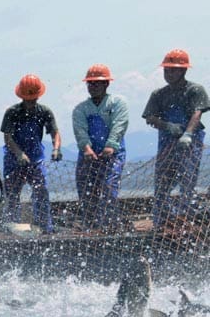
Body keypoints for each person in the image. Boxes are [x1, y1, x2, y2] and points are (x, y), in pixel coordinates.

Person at [142, 48, 209, 228]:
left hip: (190, 143)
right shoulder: (159, 94)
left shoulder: (195, 90)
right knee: (162, 183)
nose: (169, 73)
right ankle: (161, 222)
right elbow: (150, 117)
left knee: (188, 182)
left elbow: (197, 114)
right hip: (166, 143)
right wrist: (168, 126)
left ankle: (186, 220)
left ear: (184, 70)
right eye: (166, 70)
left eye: (173, 70)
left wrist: (187, 134)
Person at [0, 74, 62, 234]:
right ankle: (10, 228)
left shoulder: (44, 112)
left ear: (38, 95)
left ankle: (45, 227)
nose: (30, 102)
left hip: (36, 158)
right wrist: (19, 154)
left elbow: (55, 132)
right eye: (27, 99)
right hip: (13, 159)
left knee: (41, 191)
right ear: (21, 96)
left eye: (33, 98)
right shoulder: (12, 112)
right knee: (12, 194)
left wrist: (56, 149)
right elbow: (7, 137)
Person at [72, 65, 129, 233]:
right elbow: (80, 130)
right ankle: (91, 225)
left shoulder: (117, 103)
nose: (93, 86)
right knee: (86, 190)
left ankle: (109, 225)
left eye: (97, 83)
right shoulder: (80, 109)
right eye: (90, 83)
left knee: (109, 188)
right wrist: (86, 148)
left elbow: (120, 125)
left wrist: (110, 146)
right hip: (88, 155)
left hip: (113, 154)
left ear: (106, 84)